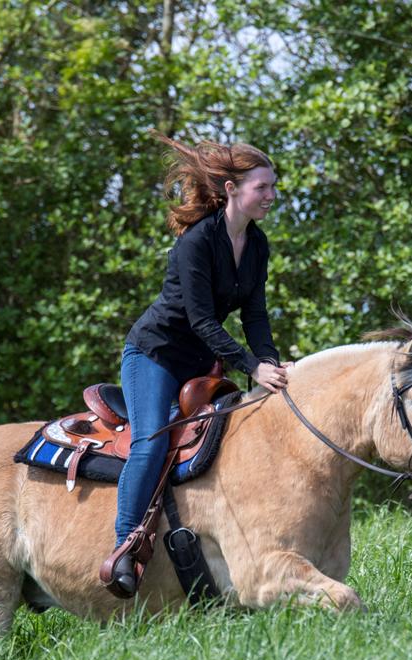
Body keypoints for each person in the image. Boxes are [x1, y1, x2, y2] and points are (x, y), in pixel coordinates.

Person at [100, 134, 292, 598]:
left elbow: (255, 314)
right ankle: (124, 549)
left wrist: (267, 362)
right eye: (262, 187)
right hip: (156, 355)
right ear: (231, 190)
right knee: (149, 443)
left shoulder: (258, 244)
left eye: (272, 187)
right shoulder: (196, 242)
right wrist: (249, 363)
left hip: (204, 363)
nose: (271, 196)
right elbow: (201, 319)